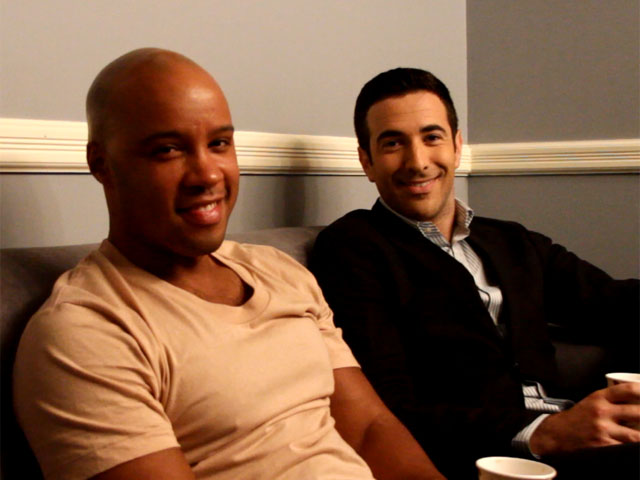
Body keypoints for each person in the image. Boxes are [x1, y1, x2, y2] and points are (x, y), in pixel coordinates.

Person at [12, 50, 446, 480]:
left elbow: (369, 429)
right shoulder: (86, 332)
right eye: (167, 150)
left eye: (219, 144)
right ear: (101, 164)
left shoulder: (280, 271)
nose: (207, 175)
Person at [310, 67, 640, 479]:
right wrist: (545, 432)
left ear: (457, 146)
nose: (418, 162)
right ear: (367, 162)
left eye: (432, 137)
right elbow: (388, 407)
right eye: (393, 143)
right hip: (493, 458)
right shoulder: (353, 249)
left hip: (583, 431)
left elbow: (618, 303)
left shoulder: (512, 240)